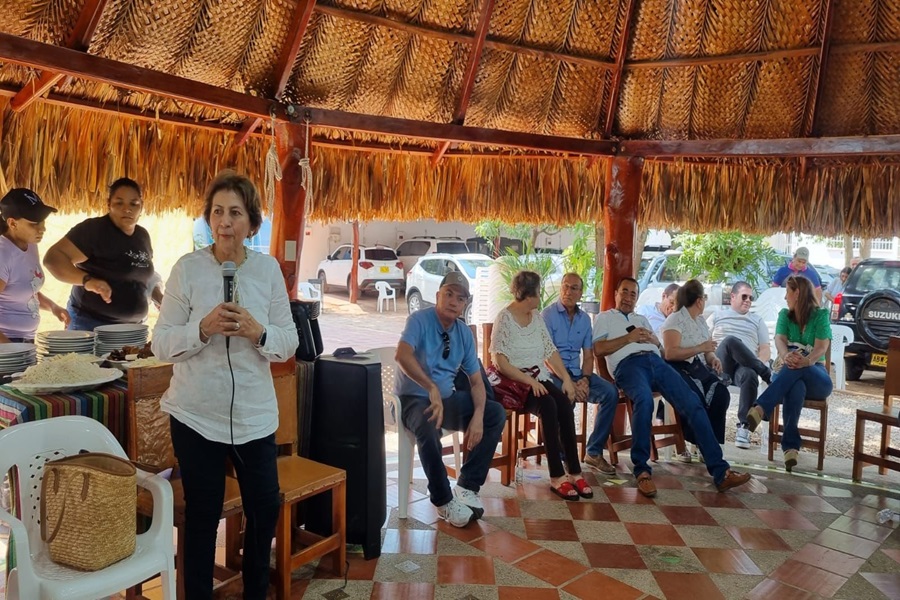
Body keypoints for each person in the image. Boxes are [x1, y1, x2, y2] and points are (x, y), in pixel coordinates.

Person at [151, 172, 299, 599]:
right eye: (217, 212)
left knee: (265, 506)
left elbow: (288, 340)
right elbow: (161, 342)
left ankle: (255, 591)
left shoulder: (267, 270)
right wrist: (201, 328)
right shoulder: (187, 269)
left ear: (251, 223)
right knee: (202, 515)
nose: (224, 222)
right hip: (195, 414)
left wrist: (258, 331)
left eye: (235, 212)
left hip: (254, 416)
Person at [593, 277, 751, 498]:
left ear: (637, 298)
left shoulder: (642, 319)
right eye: (624, 292)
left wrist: (654, 342)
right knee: (644, 400)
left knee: (693, 402)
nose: (628, 297)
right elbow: (599, 349)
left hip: (656, 362)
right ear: (616, 294)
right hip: (628, 366)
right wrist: (628, 338)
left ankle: (720, 471)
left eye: (633, 294)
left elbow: (662, 350)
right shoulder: (605, 318)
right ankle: (642, 471)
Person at [395, 271, 505, 527]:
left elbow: (476, 381)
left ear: (465, 304)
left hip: (446, 400)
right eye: (449, 294)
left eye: (461, 298)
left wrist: (478, 417)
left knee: (494, 413)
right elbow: (402, 355)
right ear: (438, 295)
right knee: (428, 423)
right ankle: (443, 500)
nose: (454, 301)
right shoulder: (418, 320)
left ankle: (467, 486)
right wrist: (430, 387)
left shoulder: (464, 333)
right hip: (412, 399)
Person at [491, 271, 592, 501]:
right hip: (516, 383)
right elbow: (500, 361)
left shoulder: (536, 317)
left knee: (564, 403)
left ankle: (574, 471)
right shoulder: (504, 318)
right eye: (538, 291)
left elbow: (550, 351)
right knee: (548, 406)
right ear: (529, 295)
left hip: (538, 377)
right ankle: (556, 476)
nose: (541, 295)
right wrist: (529, 381)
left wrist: (566, 380)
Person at [43, 177, 163, 331]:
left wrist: (158, 296)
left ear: (142, 206)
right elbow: (53, 259)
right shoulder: (94, 230)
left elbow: (141, 274)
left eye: (134, 203)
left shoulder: (142, 236)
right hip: (91, 325)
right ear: (108, 204)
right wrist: (87, 280)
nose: (127, 209)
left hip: (132, 329)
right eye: (119, 203)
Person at [745, 275, 833, 472]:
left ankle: (761, 407)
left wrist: (806, 361)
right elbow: (779, 340)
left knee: (797, 373)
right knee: (796, 385)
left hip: (814, 371)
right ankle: (791, 448)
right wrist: (786, 356)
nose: (785, 297)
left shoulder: (820, 315)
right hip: (787, 369)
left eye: (787, 292)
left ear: (797, 293)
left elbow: (821, 347)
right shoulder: (785, 314)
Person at [541, 273, 619, 475]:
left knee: (610, 393)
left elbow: (588, 356)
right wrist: (569, 383)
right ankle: (564, 457)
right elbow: (547, 356)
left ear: (581, 293)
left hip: (577, 374)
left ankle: (593, 452)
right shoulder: (547, 315)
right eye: (565, 286)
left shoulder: (584, 320)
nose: (568, 291)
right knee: (565, 396)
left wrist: (585, 380)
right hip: (554, 374)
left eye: (574, 288)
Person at [660, 280, 731, 462]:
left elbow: (707, 349)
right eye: (704, 298)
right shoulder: (675, 319)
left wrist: (713, 358)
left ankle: (711, 445)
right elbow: (670, 353)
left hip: (698, 367)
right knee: (695, 398)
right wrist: (700, 348)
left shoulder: (699, 321)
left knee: (721, 394)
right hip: (678, 368)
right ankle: (702, 443)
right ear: (699, 301)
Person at [707, 281, 772, 449]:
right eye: (744, 296)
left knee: (750, 374)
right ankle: (766, 373)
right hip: (721, 365)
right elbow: (704, 342)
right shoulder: (717, 316)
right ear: (733, 297)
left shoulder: (757, 320)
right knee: (730, 341)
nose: (748, 300)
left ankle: (745, 427)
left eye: (751, 297)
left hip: (742, 367)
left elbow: (765, 349)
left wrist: (759, 362)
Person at [0, 188, 69, 343]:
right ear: (12, 223)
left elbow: (26, 289)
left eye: (43, 221)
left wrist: (53, 307)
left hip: (25, 340)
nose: (42, 228)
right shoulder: (3, 254)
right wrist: (10, 348)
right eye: (34, 223)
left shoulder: (30, 245)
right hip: (7, 343)